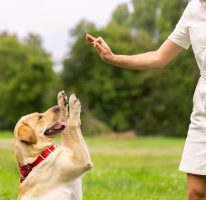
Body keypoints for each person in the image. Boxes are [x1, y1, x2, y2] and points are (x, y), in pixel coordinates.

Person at [86, 0, 206, 199]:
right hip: (203, 107)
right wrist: (113, 58)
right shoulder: (193, 9)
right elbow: (158, 58)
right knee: (196, 191)